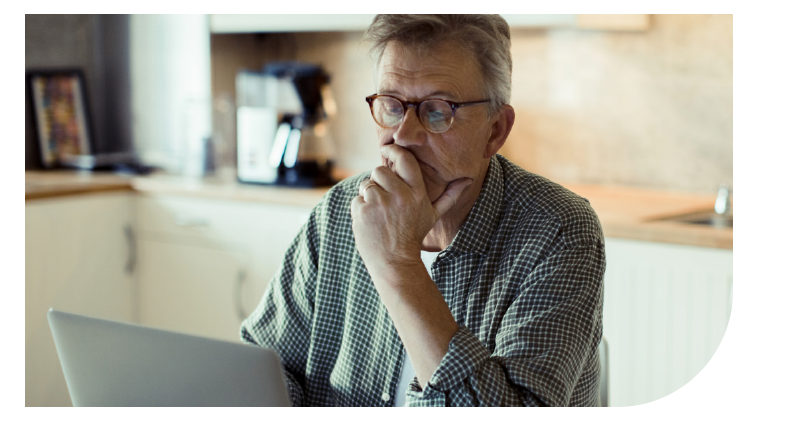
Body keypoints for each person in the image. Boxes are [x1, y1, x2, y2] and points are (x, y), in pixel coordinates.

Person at [241, 14, 605, 407]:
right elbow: (265, 370)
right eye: (393, 106)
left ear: (495, 130)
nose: (403, 136)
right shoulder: (336, 213)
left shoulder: (559, 230)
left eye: (437, 110)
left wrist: (397, 265)